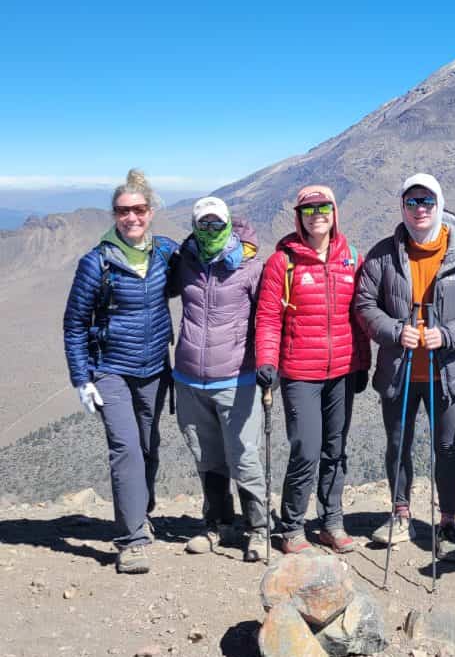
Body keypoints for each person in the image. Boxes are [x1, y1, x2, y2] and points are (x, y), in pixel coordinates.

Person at [355, 173, 455, 561]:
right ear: (402, 206)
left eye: (427, 201)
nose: (419, 209)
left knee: (446, 447)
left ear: (439, 204)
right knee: (398, 444)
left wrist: (446, 335)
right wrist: (395, 331)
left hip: (445, 372)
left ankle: (447, 524)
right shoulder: (382, 255)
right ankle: (401, 515)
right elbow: (365, 304)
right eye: (412, 201)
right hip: (399, 371)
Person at [62, 169, 177, 575]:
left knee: (148, 445)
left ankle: (140, 512)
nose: (131, 217)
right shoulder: (96, 263)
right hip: (111, 369)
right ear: (113, 214)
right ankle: (131, 541)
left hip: (155, 369)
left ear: (151, 212)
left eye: (139, 209)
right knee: (125, 448)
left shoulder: (164, 253)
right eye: (123, 210)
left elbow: (201, 265)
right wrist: (82, 378)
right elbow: (75, 323)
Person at [254, 185, 370, 554]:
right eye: (308, 209)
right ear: (298, 216)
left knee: (335, 448)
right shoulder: (282, 262)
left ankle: (331, 522)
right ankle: (292, 527)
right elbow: (268, 317)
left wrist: (363, 362)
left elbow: (360, 317)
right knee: (306, 448)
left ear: (335, 212)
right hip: (299, 372)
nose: (317, 215)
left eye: (323, 208)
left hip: (342, 370)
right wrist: (266, 361)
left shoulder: (352, 258)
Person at [171, 196, 269, 562]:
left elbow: (268, 318)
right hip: (189, 380)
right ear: (195, 227)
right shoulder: (184, 262)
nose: (210, 229)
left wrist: (269, 362)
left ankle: (259, 529)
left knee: (244, 456)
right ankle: (218, 524)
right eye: (204, 224)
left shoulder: (249, 267)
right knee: (207, 456)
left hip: (236, 379)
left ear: (228, 225)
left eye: (217, 223)